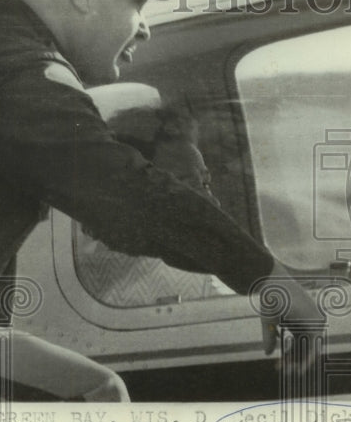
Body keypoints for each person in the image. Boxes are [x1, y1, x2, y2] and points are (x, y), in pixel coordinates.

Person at [0, 0, 319, 402]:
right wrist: (273, 282)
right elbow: (130, 197)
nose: (144, 27)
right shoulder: (25, 72)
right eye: (137, 4)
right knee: (93, 396)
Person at [75, 100, 235, 307]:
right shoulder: (193, 284)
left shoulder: (88, 265)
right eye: (184, 187)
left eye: (205, 183)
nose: (213, 202)